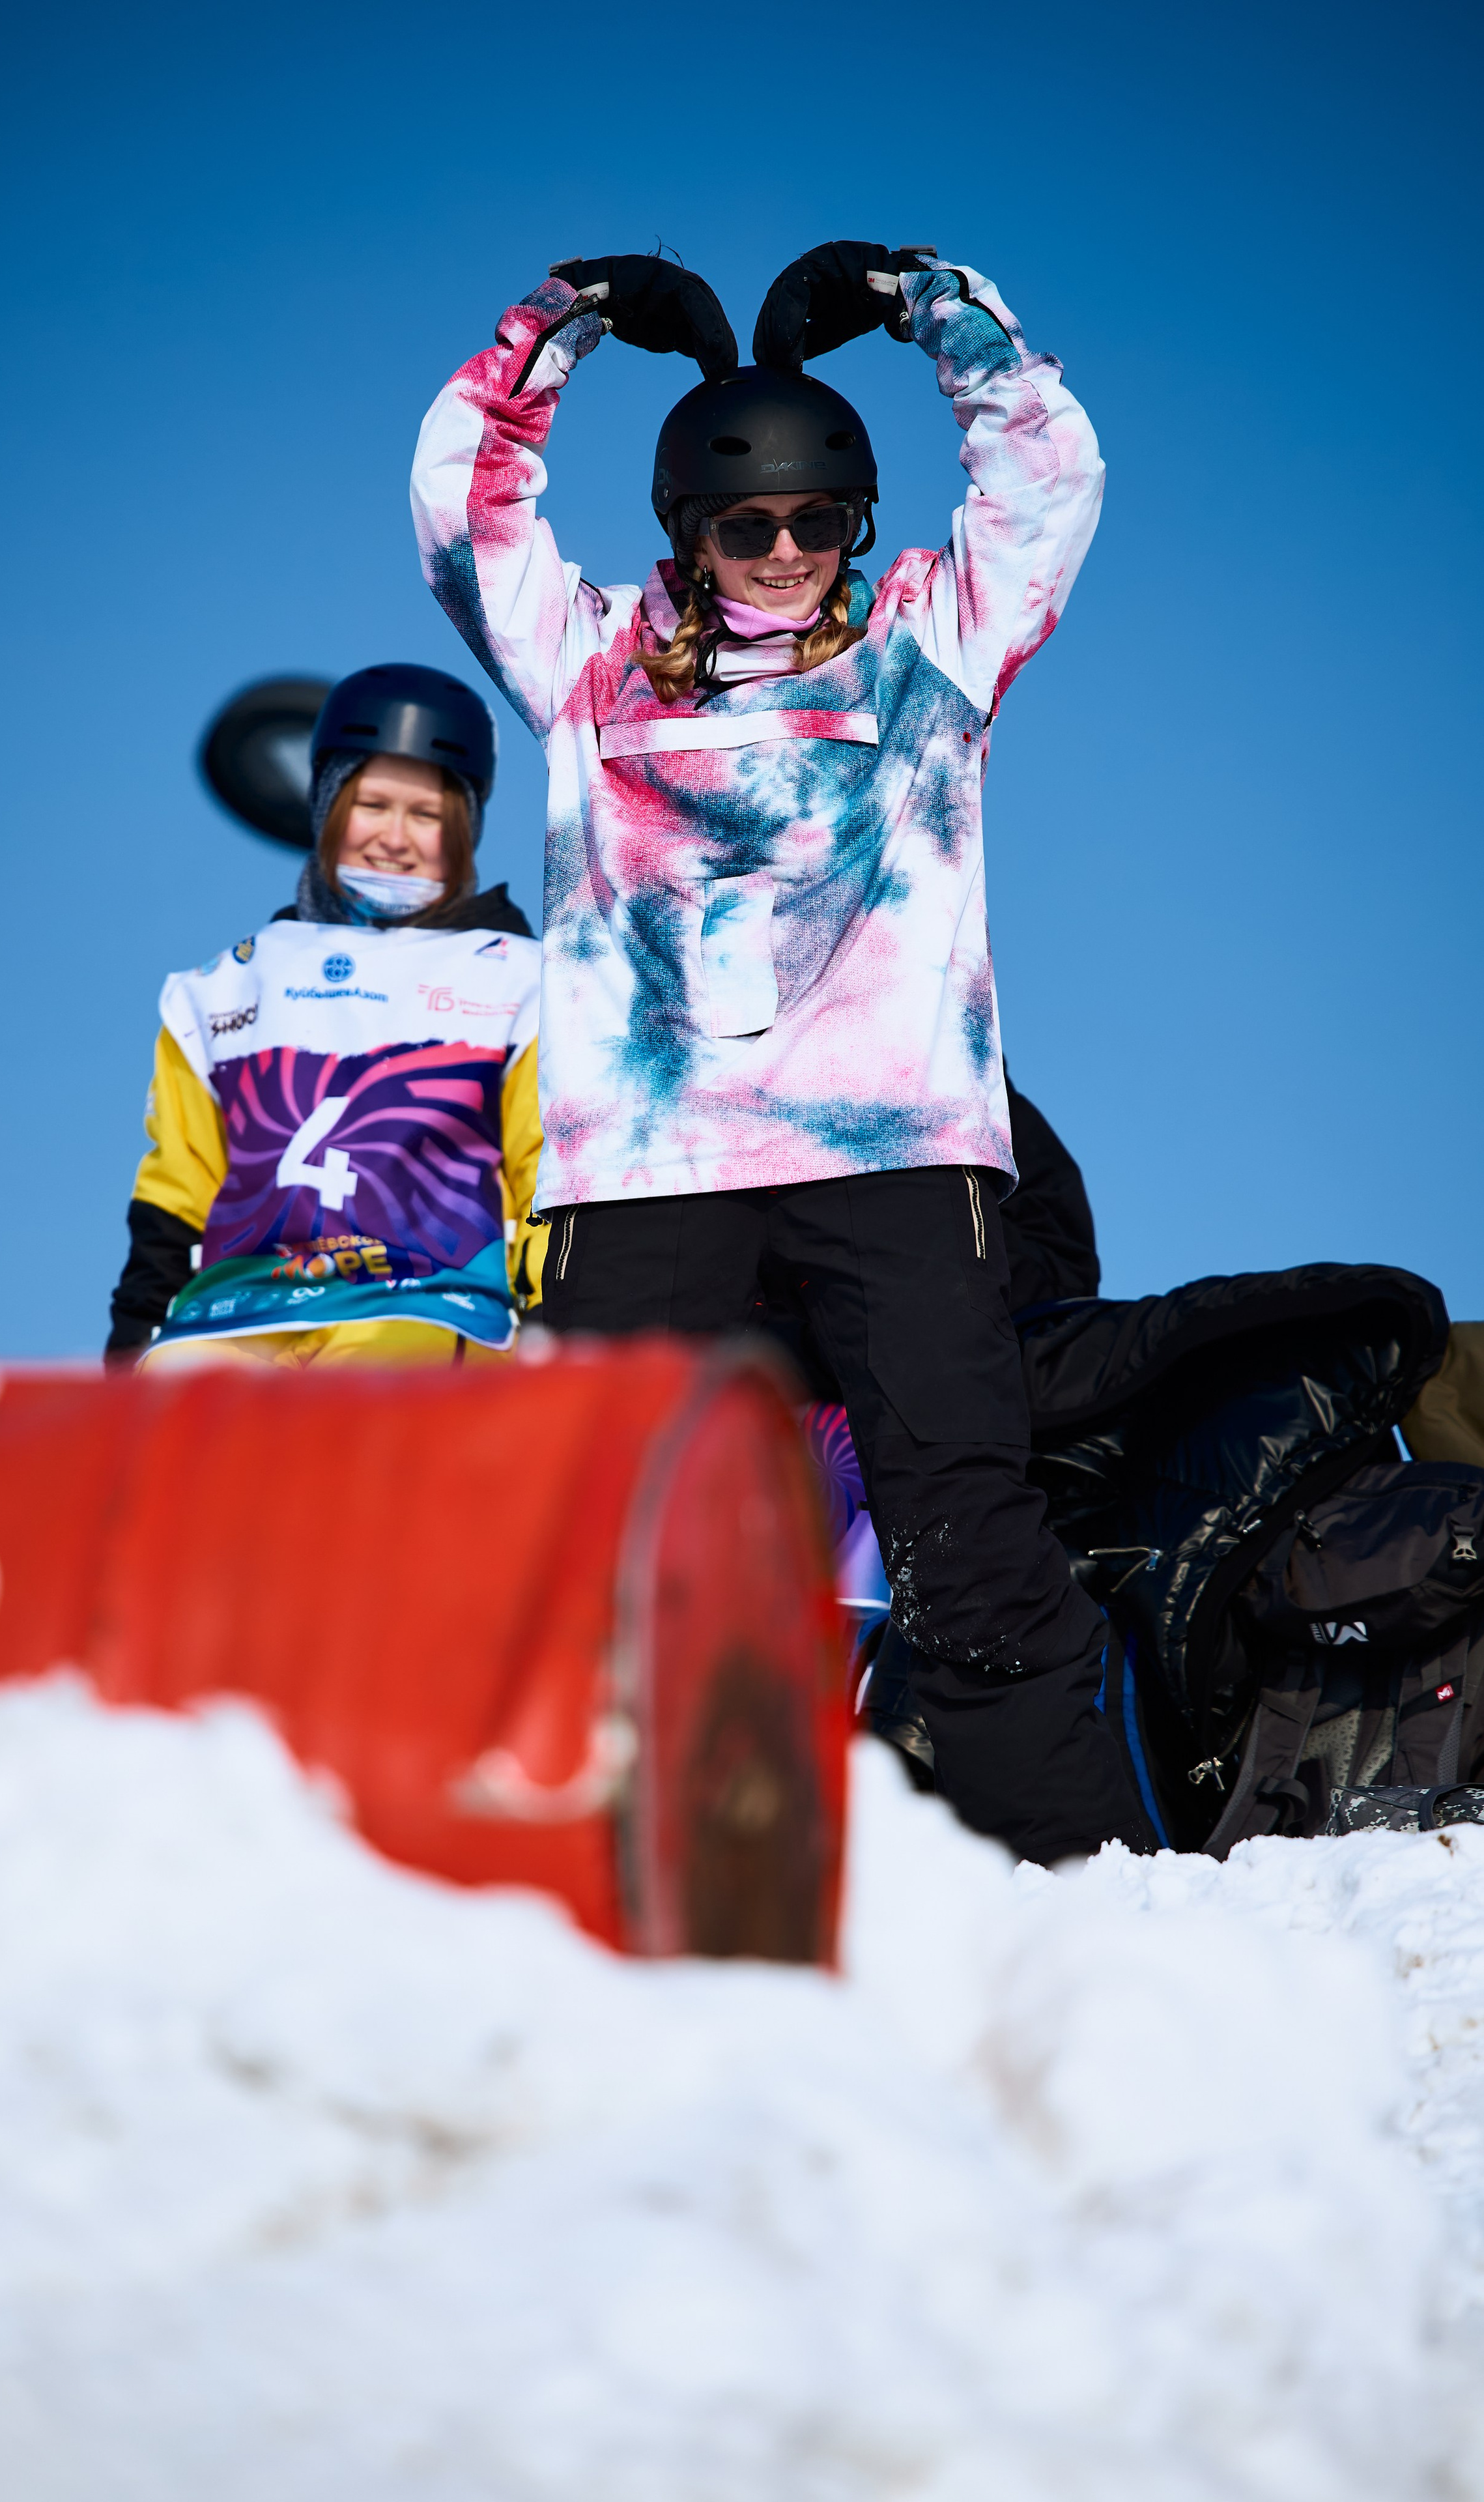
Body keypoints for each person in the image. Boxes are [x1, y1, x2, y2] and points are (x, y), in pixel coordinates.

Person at [411, 244, 1150, 1863]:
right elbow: (463, 515)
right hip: (657, 1166)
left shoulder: (923, 645)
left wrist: (929, 306)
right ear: (689, 530)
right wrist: (559, 330)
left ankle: (1081, 1878)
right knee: (608, 1512)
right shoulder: (588, 664)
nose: (784, 552)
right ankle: (579, 1852)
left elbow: (1046, 475)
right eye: (747, 525)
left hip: (892, 1153)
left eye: (818, 520)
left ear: (855, 527)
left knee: (960, 1516)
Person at [106, 663, 544, 1370]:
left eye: (427, 815)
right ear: (327, 809)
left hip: (424, 1313)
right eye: (371, 806)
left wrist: (557, 1336)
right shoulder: (225, 988)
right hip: (234, 1319)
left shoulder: (522, 983)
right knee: (176, 1416)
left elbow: (544, 1179)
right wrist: (132, 1351)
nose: (395, 838)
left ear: (463, 830)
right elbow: (177, 1194)